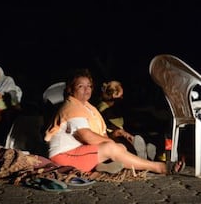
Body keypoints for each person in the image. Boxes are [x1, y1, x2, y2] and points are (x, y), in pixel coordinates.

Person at [44, 68, 185, 175]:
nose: (87, 89)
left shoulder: (85, 106)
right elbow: (87, 136)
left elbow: (98, 135)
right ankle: (159, 167)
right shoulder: (71, 107)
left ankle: (103, 166)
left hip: (77, 152)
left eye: (89, 86)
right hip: (63, 157)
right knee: (112, 148)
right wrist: (110, 143)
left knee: (120, 148)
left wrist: (112, 141)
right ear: (70, 89)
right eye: (81, 86)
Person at [96, 80, 157, 160]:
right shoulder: (105, 111)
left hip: (117, 135)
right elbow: (112, 130)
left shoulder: (110, 108)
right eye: (120, 96)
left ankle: (144, 155)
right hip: (110, 139)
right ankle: (143, 157)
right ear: (112, 97)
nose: (122, 98)